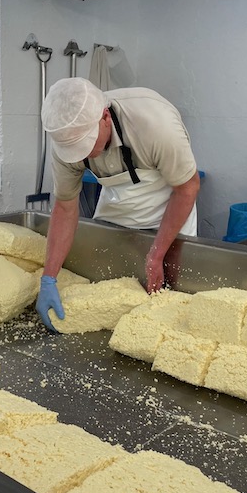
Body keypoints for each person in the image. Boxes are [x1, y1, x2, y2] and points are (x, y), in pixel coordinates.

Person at [35, 77, 200, 331]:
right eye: (75, 150)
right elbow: (66, 206)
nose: (84, 155)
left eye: (87, 144)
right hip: (117, 206)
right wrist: (48, 278)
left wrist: (156, 255)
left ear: (105, 117)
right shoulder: (66, 141)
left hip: (168, 210)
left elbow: (187, 189)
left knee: (168, 306)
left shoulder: (155, 125)